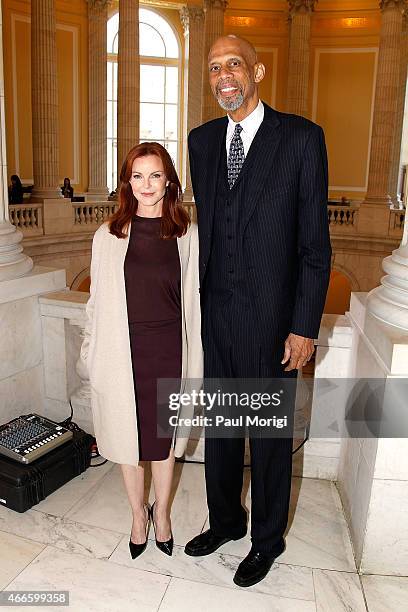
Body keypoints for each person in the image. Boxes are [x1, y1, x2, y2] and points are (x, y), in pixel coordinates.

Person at [184, 35, 332, 587]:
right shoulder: (201, 141)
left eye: (235, 65)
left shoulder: (300, 138)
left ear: (258, 71)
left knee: (268, 436)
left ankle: (267, 540)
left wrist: (303, 324)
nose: (224, 76)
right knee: (221, 428)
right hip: (215, 314)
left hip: (273, 320)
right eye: (215, 67)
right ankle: (226, 520)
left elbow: (315, 245)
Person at [80, 142, 202, 560]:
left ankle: (162, 514)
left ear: (168, 180)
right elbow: (96, 303)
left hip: (170, 350)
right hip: (122, 351)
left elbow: (195, 302)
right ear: (126, 182)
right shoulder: (108, 236)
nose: (146, 185)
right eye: (137, 176)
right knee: (127, 439)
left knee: (164, 441)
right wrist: (90, 354)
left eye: (154, 175)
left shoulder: (186, 233)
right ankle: (137, 515)